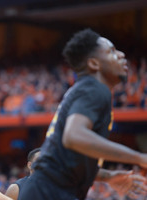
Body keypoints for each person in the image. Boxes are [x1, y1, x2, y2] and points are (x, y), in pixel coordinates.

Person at [18, 28, 147, 200]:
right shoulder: (94, 88)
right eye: (112, 52)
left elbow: (68, 161)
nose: (122, 55)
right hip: (50, 191)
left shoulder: (86, 90)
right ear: (94, 64)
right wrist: (139, 157)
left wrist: (108, 177)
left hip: (48, 189)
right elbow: (74, 136)